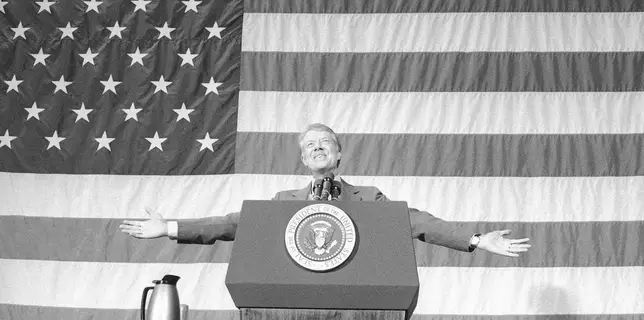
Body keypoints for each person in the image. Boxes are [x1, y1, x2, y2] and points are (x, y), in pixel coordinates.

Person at [120, 123, 531, 257]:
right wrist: (170, 227)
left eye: (324, 144)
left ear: (338, 155)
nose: (317, 148)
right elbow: (228, 225)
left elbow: (419, 223)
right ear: (303, 159)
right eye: (309, 146)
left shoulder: (370, 198)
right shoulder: (283, 204)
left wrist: (476, 238)